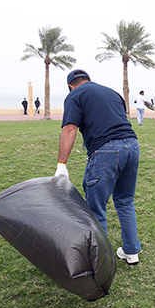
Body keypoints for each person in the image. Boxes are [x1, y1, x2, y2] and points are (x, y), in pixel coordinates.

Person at [56, 69, 141, 265]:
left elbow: (70, 128)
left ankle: (101, 261)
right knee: (125, 201)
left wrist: (62, 164)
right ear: (88, 80)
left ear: (71, 86)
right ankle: (131, 252)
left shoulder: (74, 96)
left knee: (96, 208)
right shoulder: (112, 92)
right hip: (132, 145)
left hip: (106, 151)